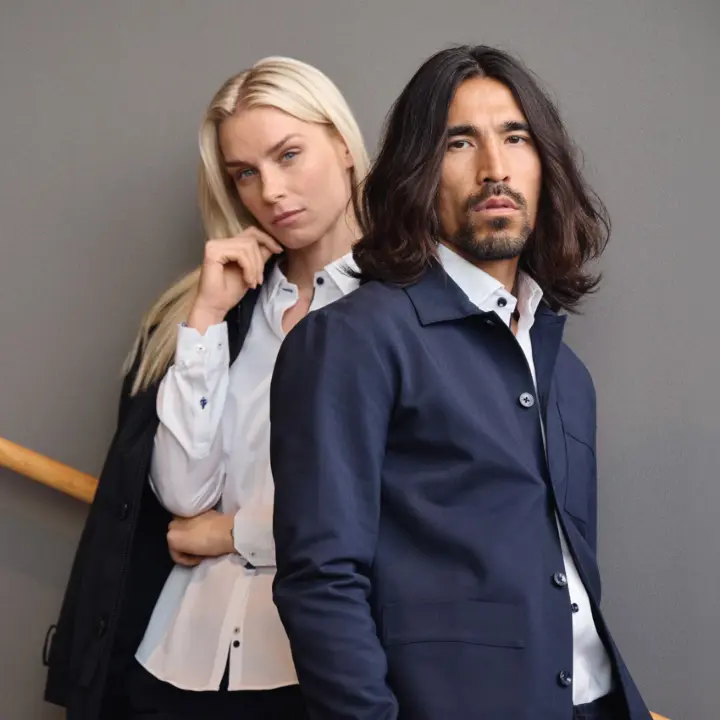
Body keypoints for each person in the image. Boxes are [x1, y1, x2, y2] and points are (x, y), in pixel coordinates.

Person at [269, 45, 654, 720]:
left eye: (516, 137)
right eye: (460, 142)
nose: (494, 167)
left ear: (545, 164)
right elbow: (320, 580)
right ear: (419, 171)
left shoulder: (568, 373)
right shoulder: (352, 339)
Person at [43, 56, 369, 720]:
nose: (270, 190)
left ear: (342, 144)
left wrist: (236, 534)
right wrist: (205, 318)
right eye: (245, 173)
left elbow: (409, 510)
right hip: (172, 667)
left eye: (289, 155)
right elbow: (183, 495)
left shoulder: (414, 309)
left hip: (316, 676)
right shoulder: (220, 308)